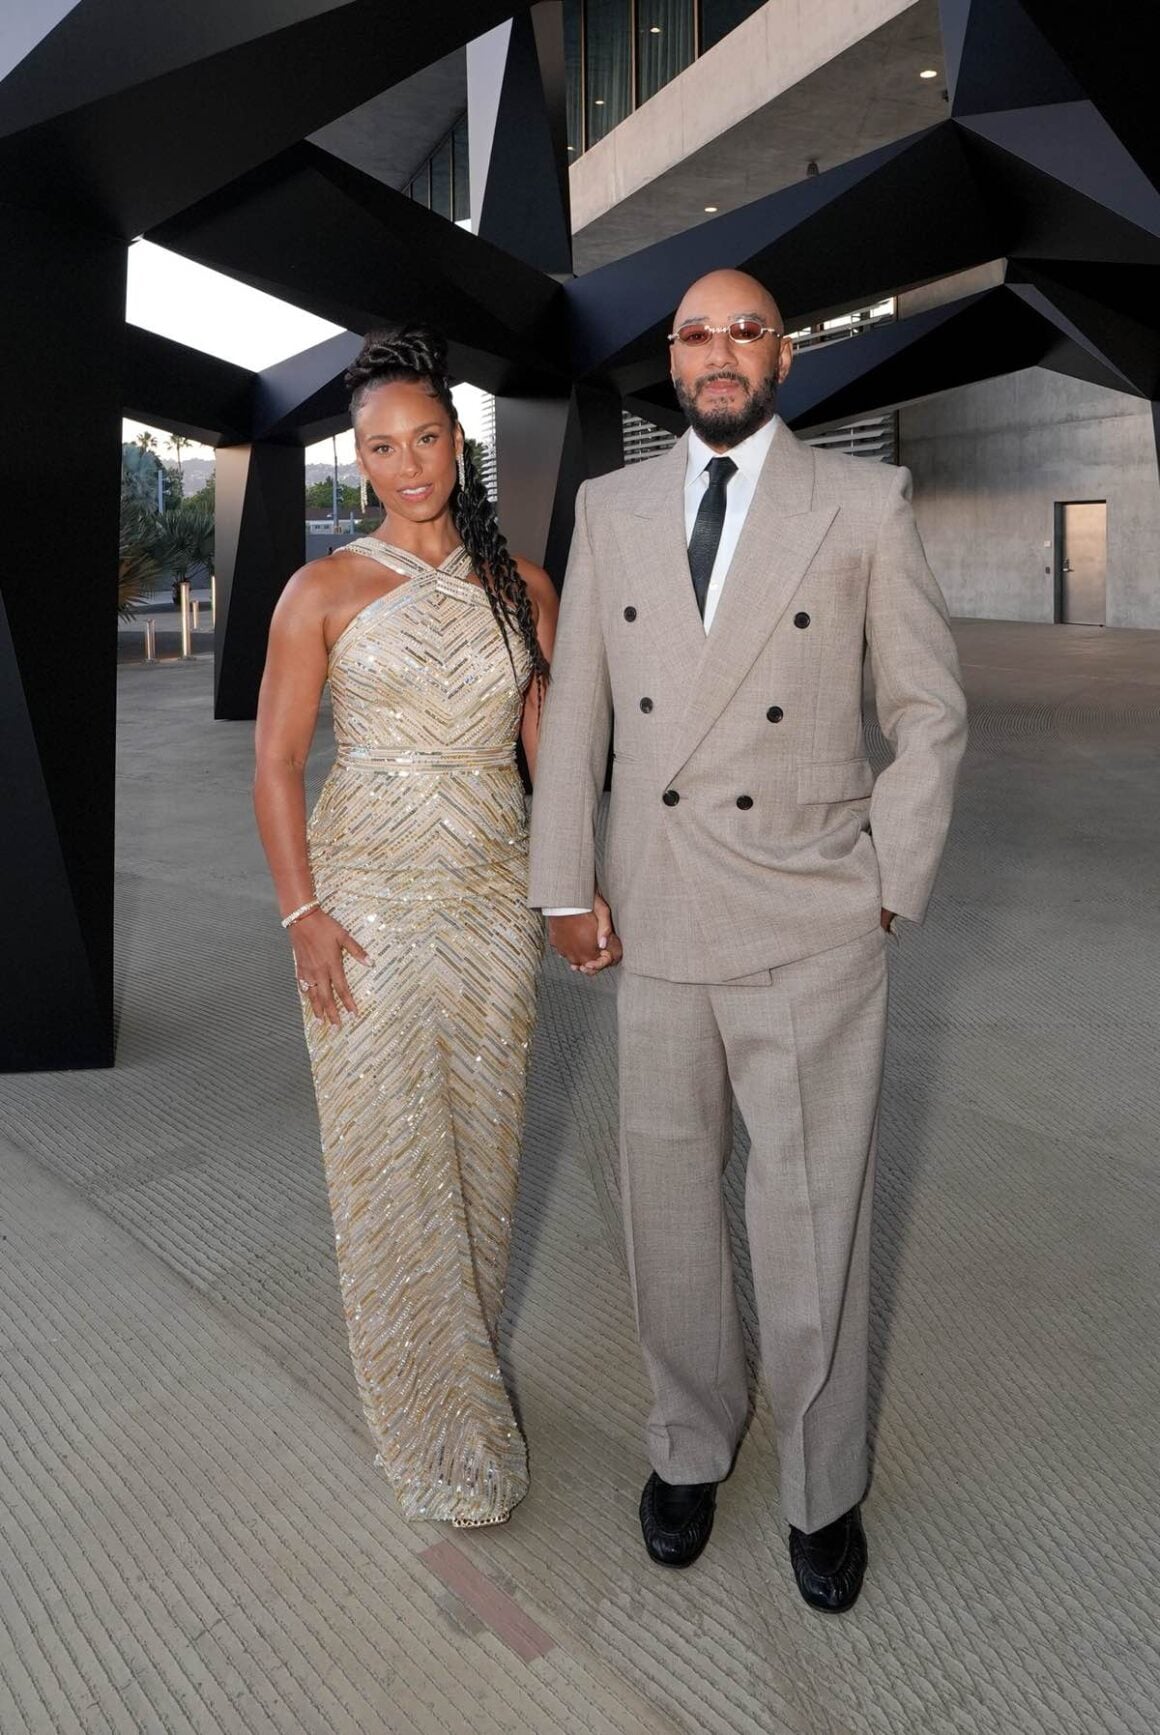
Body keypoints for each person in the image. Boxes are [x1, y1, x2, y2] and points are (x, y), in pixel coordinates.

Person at [529, 270, 966, 1608]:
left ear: (785, 354)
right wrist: (563, 879)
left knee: (811, 1220)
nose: (719, 352)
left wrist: (885, 882)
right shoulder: (611, 505)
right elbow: (581, 711)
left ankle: (822, 1483)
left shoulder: (862, 502)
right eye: (694, 333)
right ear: (671, 359)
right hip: (655, 910)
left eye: (745, 330)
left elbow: (929, 711)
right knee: (667, 1209)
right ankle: (689, 1440)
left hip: (811, 921)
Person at [254, 325, 617, 1528]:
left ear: (455, 440)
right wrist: (303, 913)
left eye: (424, 439)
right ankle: (428, 1409)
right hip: (361, 909)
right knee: (387, 1162)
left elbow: (556, 757)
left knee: (478, 1154)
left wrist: (573, 890)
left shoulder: (524, 585)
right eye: (380, 448)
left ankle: (462, 1364)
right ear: (356, 460)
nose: (407, 465)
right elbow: (276, 762)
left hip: (483, 910)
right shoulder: (322, 590)